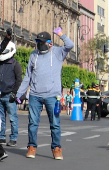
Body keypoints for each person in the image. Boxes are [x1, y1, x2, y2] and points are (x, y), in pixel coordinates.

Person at [15, 28, 74, 160]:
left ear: (50, 43)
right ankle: (31, 147)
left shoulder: (58, 52)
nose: (40, 45)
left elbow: (70, 45)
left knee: (55, 124)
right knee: (33, 123)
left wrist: (61, 34)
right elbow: (28, 76)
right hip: (35, 95)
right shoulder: (33, 55)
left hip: (52, 95)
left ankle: (56, 148)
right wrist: (19, 93)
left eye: (42, 43)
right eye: (38, 43)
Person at [0, 40, 23, 145]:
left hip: (9, 94)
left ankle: (13, 138)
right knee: (0, 118)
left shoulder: (15, 64)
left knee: (13, 118)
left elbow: (19, 80)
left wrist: (14, 93)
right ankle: (1, 136)